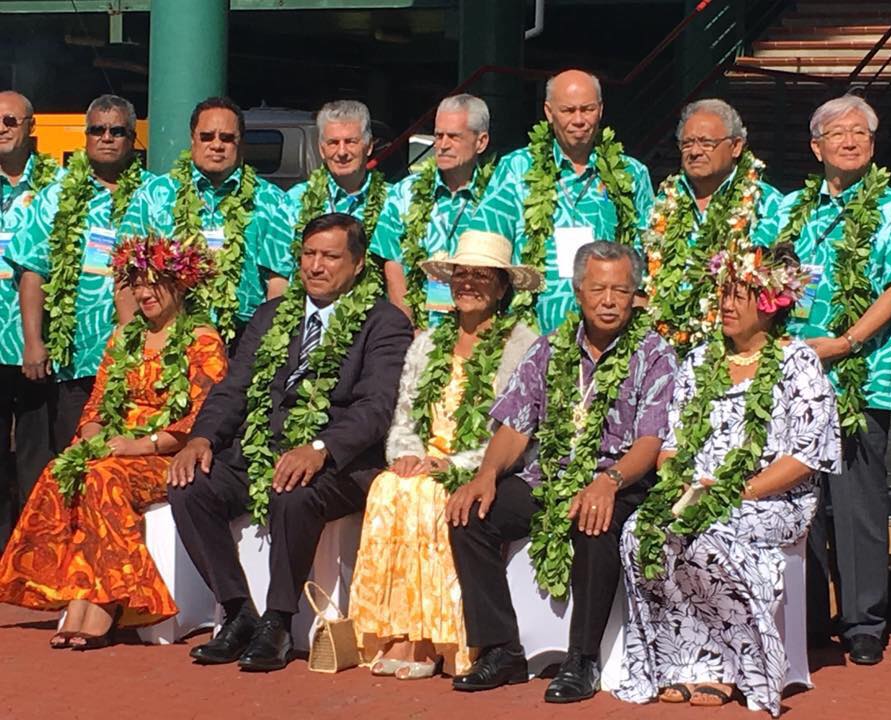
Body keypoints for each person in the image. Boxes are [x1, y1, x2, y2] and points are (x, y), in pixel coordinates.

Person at [167, 212, 413, 673]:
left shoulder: (384, 322)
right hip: (260, 449)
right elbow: (233, 388)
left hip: (340, 462)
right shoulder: (272, 315)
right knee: (189, 484)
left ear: (358, 265)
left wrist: (319, 448)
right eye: (309, 255)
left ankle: (278, 622)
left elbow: (376, 408)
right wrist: (201, 438)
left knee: (295, 491)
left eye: (331, 256)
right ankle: (238, 612)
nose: (316, 266)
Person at [447, 241, 676, 703]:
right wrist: (487, 473)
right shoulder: (550, 348)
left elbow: (651, 443)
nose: (609, 300)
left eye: (620, 290)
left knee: (596, 521)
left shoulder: (654, 354)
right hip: (549, 475)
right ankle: (500, 650)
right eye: (598, 289)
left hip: (619, 479)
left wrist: (608, 482)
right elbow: (515, 425)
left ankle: (582, 661)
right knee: (470, 515)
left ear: (636, 296)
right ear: (577, 292)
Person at [617, 243, 840, 716]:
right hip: (696, 491)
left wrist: (742, 490)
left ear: (770, 303)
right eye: (724, 293)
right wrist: (680, 482)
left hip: (773, 499)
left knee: (708, 535)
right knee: (641, 532)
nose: (727, 304)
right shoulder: (701, 360)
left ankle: (728, 666)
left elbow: (806, 454)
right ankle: (678, 661)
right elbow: (673, 441)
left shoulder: (798, 362)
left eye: (740, 295)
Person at [757, 95, 891, 665]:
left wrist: (846, 342)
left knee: (856, 504)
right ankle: (808, 619)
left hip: (859, 374)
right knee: (799, 496)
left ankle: (864, 624)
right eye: (838, 133)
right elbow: (765, 278)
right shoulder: (789, 211)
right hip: (793, 376)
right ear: (816, 146)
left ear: (873, 146)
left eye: (860, 133)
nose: (849, 141)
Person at [0, 233, 226, 650]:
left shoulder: (202, 339)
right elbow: (96, 407)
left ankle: (108, 605)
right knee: (62, 471)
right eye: (136, 282)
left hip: (167, 455)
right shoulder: (124, 338)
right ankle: (81, 593)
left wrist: (139, 446)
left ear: (180, 284)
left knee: (104, 479)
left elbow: (202, 417)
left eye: (153, 282)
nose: (143, 292)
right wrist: (91, 436)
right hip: (115, 449)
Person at [349, 230, 541, 679]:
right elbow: (403, 415)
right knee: (388, 487)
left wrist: (452, 464)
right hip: (423, 460)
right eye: (461, 274)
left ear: (503, 287)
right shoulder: (427, 343)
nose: (468, 283)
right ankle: (400, 630)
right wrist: (407, 454)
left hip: (478, 465)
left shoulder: (523, 346)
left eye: (481, 276)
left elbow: (519, 432)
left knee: (434, 497)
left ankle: (437, 637)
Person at [7, 94, 152, 476]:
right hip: (75, 358)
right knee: (69, 462)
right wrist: (34, 342)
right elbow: (33, 270)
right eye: (97, 130)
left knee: (122, 463)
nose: (107, 137)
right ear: (86, 136)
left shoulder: (156, 194)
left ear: (132, 137)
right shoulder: (56, 195)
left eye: (117, 130)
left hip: (137, 357)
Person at [468, 70, 654, 333]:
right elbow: (486, 248)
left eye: (587, 109)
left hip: (610, 338)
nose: (578, 119)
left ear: (600, 110)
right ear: (549, 111)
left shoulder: (632, 175)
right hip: (530, 333)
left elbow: (646, 258)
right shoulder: (516, 169)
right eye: (568, 110)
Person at [120, 96, 292, 347]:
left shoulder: (272, 201)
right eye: (207, 136)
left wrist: (265, 350)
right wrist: (134, 342)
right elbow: (125, 273)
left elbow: (279, 283)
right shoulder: (154, 195)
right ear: (193, 140)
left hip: (243, 343)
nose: (217, 145)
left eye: (227, 138)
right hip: (168, 340)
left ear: (240, 143)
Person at [645, 98, 781, 356]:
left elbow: (782, 285)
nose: (695, 151)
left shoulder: (768, 204)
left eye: (706, 143)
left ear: (736, 146)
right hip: (667, 351)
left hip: (736, 355)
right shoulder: (664, 201)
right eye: (687, 143)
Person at [370, 94, 494, 329]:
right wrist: (408, 332)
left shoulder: (497, 194)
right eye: (439, 135)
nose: (443, 145)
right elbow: (393, 265)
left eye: (454, 137)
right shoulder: (404, 193)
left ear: (481, 142)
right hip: (419, 331)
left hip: (483, 336)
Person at [0, 90, 62, 550]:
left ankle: (35, 550)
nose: (1, 128)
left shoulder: (60, 187)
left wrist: (35, 339)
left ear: (30, 127)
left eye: (10, 120)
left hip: (33, 343)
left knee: (37, 454)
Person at [285, 100, 388, 255]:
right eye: (333, 143)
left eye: (350, 142)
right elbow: (278, 275)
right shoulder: (294, 201)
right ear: (321, 150)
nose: (341, 152)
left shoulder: (393, 200)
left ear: (369, 146)